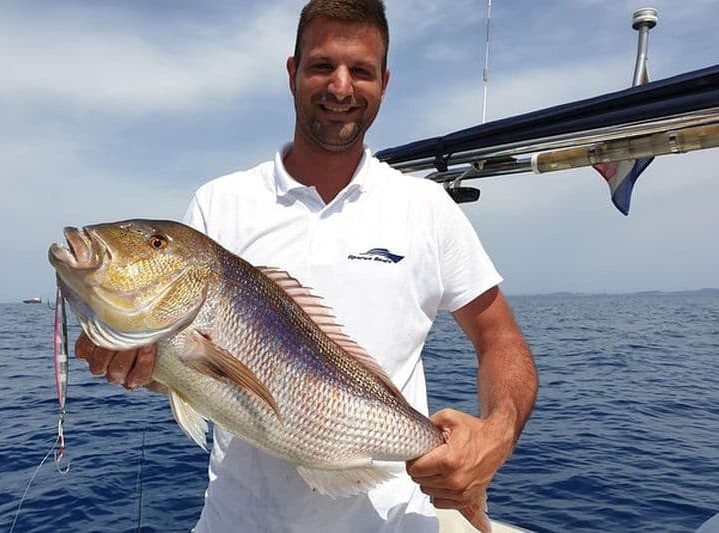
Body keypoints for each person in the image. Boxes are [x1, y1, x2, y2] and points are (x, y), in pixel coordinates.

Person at [75, 1, 538, 531]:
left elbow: (500, 339)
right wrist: (141, 365)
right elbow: (196, 374)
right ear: (293, 72)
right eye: (322, 66)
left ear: (384, 82)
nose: (341, 87)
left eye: (360, 70)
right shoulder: (218, 204)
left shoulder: (427, 207)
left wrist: (496, 435)